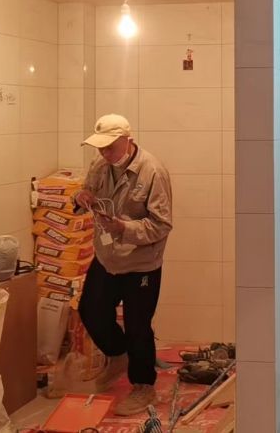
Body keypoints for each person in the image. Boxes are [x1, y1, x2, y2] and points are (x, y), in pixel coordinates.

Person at [74, 114, 173, 416]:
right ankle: (118, 355)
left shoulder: (152, 171)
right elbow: (88, 192)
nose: (104, 153)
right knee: (90, 310)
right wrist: (81, 197)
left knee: (137, 326)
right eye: (100, 147)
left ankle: (143, 386)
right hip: (107, 257)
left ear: (127, 140)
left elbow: (162, 225)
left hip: (141, 263)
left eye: (110, 147)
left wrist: (124, 228)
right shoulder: (100, 165)